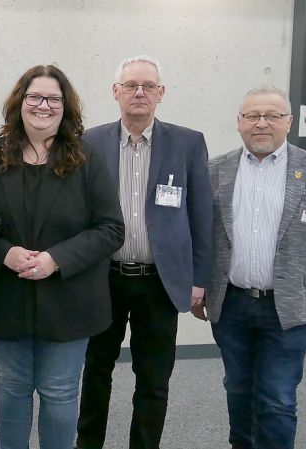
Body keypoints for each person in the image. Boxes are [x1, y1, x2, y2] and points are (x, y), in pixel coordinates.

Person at [0, 64, 125, 449]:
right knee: (12, 389)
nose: (43, 105)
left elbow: (111, 229)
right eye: (35, 97)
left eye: (53, 99)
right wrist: (4, 252)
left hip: (70, 299)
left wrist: (55, 259)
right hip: (7, 296)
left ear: (65, 106)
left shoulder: (86, 158)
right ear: (20, 102)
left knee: (59, 395)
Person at [76, 56, 213, 449]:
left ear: (161, 93)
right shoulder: (89, 142)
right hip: (102, 279)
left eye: (148, 86)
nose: (140, 92)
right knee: (95, 370)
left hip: (160, 282)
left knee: (154, 379)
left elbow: (201, 215)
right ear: (115, 92)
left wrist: (199, 278)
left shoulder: (188, 142)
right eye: (131, 85)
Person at [204, 86, 306, 449]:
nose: (261, 123)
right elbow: (200, 233)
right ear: (239, 123)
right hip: (232, 305)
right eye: (252, 116)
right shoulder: (215, 170)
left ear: (289, 122)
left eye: (272, 116)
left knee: (277, 399)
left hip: (289, 307)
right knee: (238, 391)